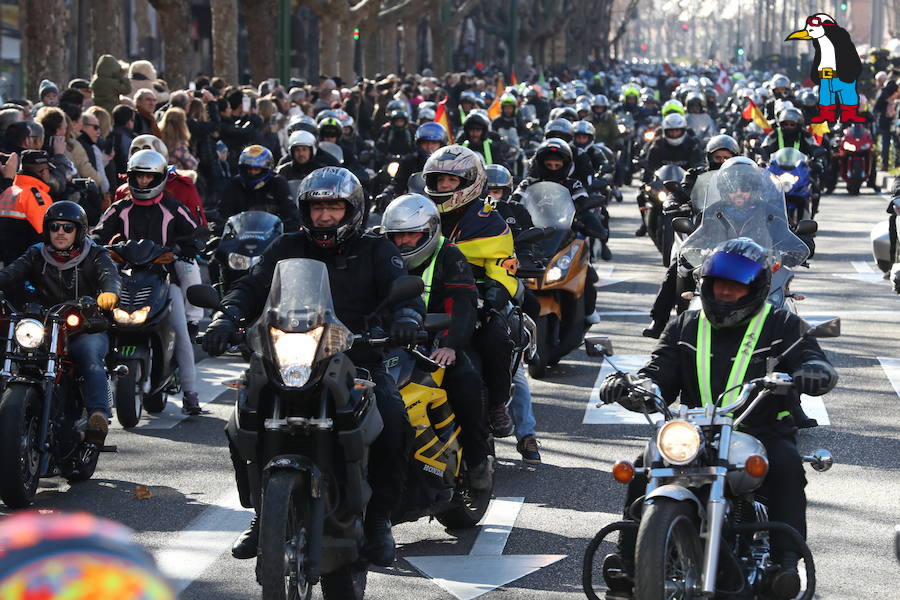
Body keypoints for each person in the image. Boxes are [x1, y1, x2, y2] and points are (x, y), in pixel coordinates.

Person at [202, 166, 423, 567]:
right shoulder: (285, 246)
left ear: (352, 209)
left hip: (357, 358)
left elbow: (404, 292)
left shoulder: (377, 250)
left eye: (333, 207)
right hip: (288, 356)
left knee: (393, 419)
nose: (323, 217)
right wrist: (226, 316)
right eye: (316, 208)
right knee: (241, 420)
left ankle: (379, 521)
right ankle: (261, 513)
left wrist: (407, 318)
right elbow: (251, 286)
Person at [599, 237, 837, 600]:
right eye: (718, 284)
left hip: (762, 430)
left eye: (735, 286)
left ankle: (785, 565)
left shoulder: (782, 323)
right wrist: (634, 386)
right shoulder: (685, 325)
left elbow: (811, 357)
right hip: (696, 431)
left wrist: (814, 371)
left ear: (754, 289)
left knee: (787, 466)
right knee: (645, 464)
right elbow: (658, 369)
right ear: (705, 285)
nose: (724, 292)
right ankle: (629, 562)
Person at [382, 193, 493, 489]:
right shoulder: (377, 252)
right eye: (398, 236)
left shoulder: (449, 254)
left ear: (429, 232)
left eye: (412, 234)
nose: (404, 242)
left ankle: (478, 459)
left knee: (466, 382)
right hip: (383, 341)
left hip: (435, 342)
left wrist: (450, 345)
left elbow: (463, 303)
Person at [93, 149, 202, 416]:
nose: (142, 183)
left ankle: (190, 392)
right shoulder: (119, 208)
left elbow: (197, 233)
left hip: (163, 278)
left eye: (148, 178)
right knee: (97, 328)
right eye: (137, 177)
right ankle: (91, 393)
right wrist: (97, 246)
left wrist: (186, 248)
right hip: (123, 279)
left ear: (161, 178)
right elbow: (97, 233)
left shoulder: (174, 209)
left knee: (181, 331)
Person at [0, 201, 120, 444]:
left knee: (88, 354)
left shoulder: (95, 254)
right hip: (43, 327)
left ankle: (98, 413)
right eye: (55, 227)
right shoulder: (36, 254)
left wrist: (109, 293)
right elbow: (11, 274)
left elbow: (110, 276)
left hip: (84, 326)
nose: (61, 233)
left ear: (79, 231)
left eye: (68, 228)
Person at [423, 145, 519, 437]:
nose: (444, 186)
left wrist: (491, 301)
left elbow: (504, 268)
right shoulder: (422, 212)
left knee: (496, 340)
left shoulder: (488, 217)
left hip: (478, 298)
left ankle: (498, 405)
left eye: (451, 181)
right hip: (428, 294)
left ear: (469, 182)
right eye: (439, 181)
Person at [643, 134, 741, 338]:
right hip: (704, 233)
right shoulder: (696, 175)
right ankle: (659, 320)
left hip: (738, 235)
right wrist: (672, 202)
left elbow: (761, 196)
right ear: (709, 158)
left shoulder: (744, 177)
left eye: (727, 158)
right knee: (678, 268)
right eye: (718, 158)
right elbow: (679, 191)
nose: (722, 162)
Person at [485, 165, 542, 464]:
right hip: (455, 298)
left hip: (499, 293)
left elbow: (527, 251)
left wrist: (525, 261)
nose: (492, 196)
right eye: (488, 190)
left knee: (514, 369)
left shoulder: (514, 214)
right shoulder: (453, 217)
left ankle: (526, 435)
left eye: (498, 191)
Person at [512, 138, 604, 319]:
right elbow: (514, 202)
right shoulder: (527, 183)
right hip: (532, 238)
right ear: (540, 164)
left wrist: (588, 222)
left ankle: (587, 312)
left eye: (557, 164)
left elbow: (583, 203)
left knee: (588, 274)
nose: (553, 168)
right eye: (548, 164)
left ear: (566, 165)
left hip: (564, 236)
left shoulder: (573, 184)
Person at [219, 144, 298, 230]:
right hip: (240, 235)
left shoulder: (278, 183)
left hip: (272, 236)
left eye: (256, 169)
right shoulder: (234, 184)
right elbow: (224, 214)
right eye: (249, 169)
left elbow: (290, 212)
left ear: (266, 168)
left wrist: (284, 226)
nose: (252, 172)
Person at [0, 150, 55, 266]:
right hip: (27, 266)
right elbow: (46, 235)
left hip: (8, 264)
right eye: (48, 170)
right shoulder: (37, 196)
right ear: (42, 172)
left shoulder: (8, 192)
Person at [379, 121, 448, 200]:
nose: (429, 147)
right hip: (416, 204)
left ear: (441, 144)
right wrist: (387, 193)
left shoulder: (449, 164)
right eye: (425, 143)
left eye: (434, 143)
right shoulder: (410, 161)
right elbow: (397, 184)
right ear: (419, 144)